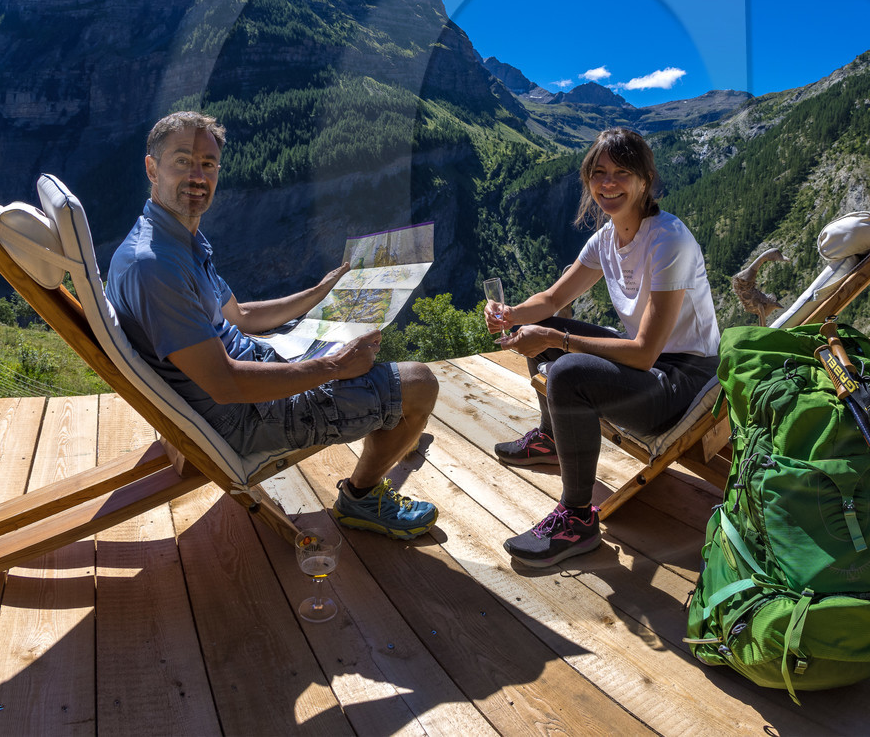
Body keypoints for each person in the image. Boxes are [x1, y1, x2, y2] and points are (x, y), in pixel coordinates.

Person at [106, 111, 440, 539]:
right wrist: (334, 368)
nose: (197, 176)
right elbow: (225, 384)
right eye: (182, 161)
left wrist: (317, 294)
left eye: (207, 164)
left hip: (254, 371)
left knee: (363, 339)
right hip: (241, 417)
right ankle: (361, 497)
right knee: (419, 382)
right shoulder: (155, 266)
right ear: (152, 168)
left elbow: (241, 316)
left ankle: (392, 423)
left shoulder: (174, 239)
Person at [485, 127, 720, 567]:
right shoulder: (605, 239)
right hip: (649, 366)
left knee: (567, 369)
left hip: (684, 380)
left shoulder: (669, 239)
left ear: (645, 180)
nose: (608, 183)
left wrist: (555, 339)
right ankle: (553, 438)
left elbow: (647, 352)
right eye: (599, 173)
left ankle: (577, 519)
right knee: (549, 322)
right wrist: (511, 314)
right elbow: (553, 300)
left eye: (621, 173)